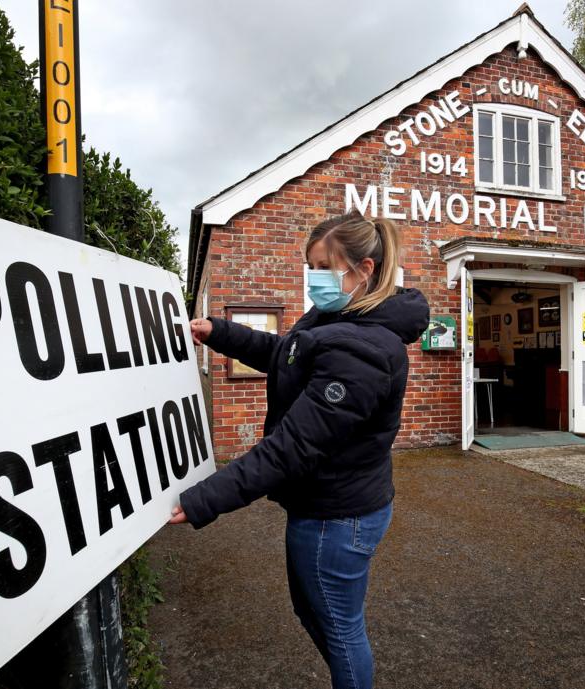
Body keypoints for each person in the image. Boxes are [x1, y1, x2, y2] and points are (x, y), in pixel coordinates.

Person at [171, 209, 429, 689]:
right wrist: (219, 333)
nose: (313, 279)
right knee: (320, 616)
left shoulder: (365, 350)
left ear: (363, 270)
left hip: (336, 518)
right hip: (330, 505)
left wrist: (203, 499)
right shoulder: (338, 317)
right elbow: (284, 354)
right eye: (309, 267)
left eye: (321, 267)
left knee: (339, 631)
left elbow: (292, 448)